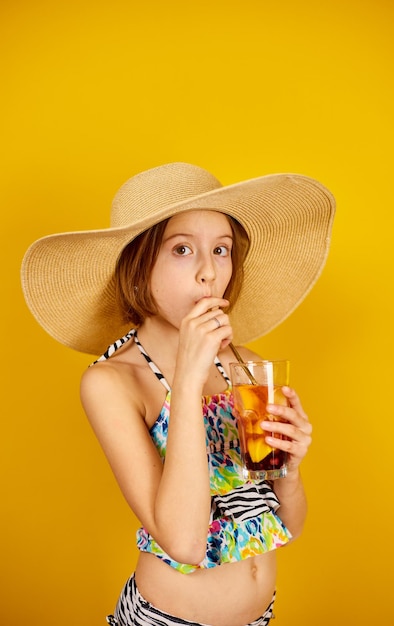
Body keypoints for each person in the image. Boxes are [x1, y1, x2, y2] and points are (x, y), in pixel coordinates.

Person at [21, 162, 335, 626]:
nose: (209, 272)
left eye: (222, 250)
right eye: (183, 249)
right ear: (137, 266)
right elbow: (184, 543)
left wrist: (289, 467)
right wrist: (187, 380)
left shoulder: (245, 365)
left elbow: (286, 528)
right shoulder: (113, 382)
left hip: (260, 616)